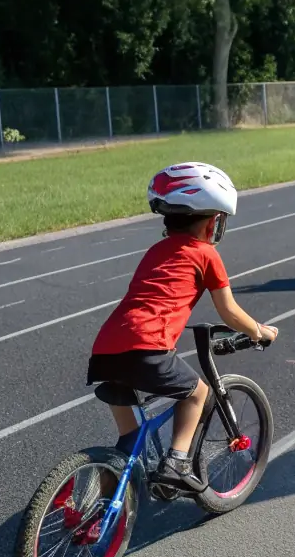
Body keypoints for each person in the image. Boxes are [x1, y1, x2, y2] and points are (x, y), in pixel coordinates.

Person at [87, 162, 278, 492]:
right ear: (212, 221)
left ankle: (94, 508)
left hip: (106, 348)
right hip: (147, 346)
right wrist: (258, 331)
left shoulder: (156, 251)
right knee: (198, 394)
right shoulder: (205, 254)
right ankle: (177, 462)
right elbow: (229, 311)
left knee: (128, 443)